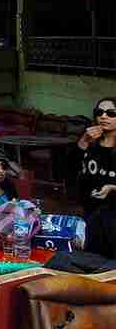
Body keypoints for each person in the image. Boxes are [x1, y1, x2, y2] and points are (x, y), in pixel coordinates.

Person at [74, 98, 116, 258]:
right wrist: (83, 142)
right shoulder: (90, 143)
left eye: (111, 113)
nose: (104, 116)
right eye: (99, 112)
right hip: (90, 215)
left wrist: (112, 188)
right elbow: (69, 170)